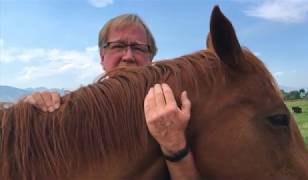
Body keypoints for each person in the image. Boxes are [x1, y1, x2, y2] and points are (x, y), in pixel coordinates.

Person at [24, 14, 200, 179]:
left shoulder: (173, 110)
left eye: (138, 48)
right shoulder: (73, 111)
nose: (128, 56)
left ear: (150, 58)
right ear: (102, 57)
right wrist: (29, 115)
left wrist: (175, 145)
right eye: (118, 46)